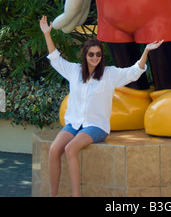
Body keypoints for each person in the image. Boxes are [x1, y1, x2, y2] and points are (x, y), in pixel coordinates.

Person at [39, 15, 163, 197]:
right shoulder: (74, 71)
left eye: (98, 54)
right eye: (91, 54)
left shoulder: (109, 74)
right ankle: (53, 195)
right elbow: (55, 59)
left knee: (70, 149)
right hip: (74, 123)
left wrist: (146, 51)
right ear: (85, 55)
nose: (95, 57)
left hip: (96, 126)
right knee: (53, 150)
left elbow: (134, 72)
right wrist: (47, 34)